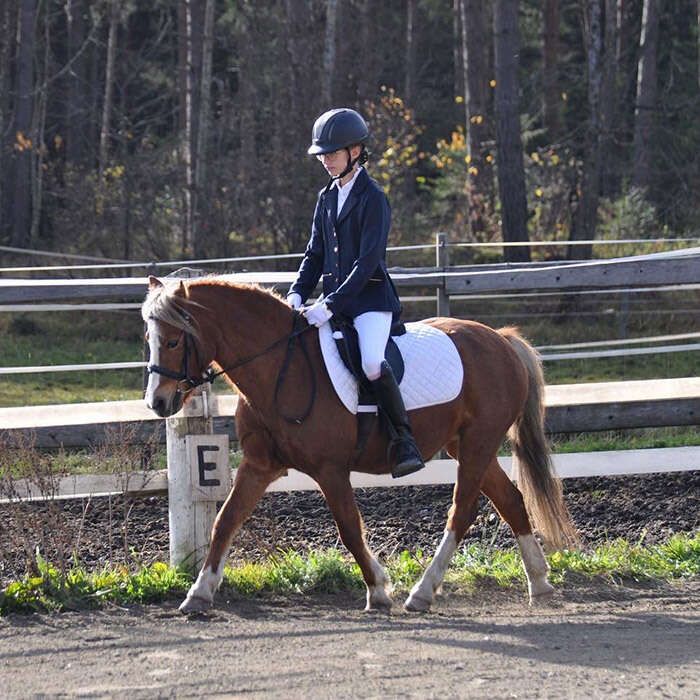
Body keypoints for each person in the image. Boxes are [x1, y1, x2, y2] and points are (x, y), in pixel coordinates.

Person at [287, 107, 425, 478]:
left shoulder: (373, 197)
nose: (326, 161)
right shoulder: (326, 197)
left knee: (370, 364)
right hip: (334, 302)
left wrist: (328, 305)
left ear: (356, 151)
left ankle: (403, 439)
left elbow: (367, 265)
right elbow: (314, 253)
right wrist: (297, 293)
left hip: (369, 302)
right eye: (323, 156)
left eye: (332, 154)